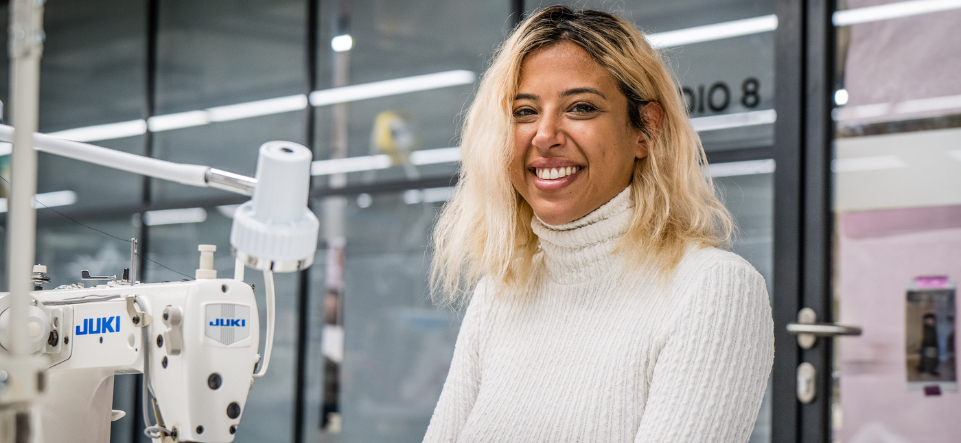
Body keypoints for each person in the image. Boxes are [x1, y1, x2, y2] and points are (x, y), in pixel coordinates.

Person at [424, 6, 774, 443]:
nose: (545, 135)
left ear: (644, 129)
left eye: (581, 108)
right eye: (524, 112)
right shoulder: (501, 291)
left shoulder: (712, 289)